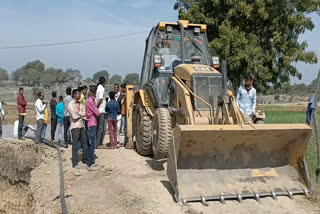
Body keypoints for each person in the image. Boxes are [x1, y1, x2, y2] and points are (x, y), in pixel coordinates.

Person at [68, 88, 88, 168]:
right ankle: (75, 163)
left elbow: (84, 112)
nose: (80, 95)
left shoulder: (80, 103)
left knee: (84, 143)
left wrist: (80, 114)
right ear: (74, 95)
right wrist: (81, 115)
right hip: (75, 126)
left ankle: (85, 159)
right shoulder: (71, 104)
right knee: (75, 145)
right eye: (79, 94)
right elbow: (74, 116)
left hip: (81, 125)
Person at [86, 85, 100, 170]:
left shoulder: (90, 100)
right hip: (92, 123)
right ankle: (90, 163)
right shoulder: (90, 101)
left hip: (91, 122)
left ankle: (90, 161)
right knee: (92, 144)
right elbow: (97, 113)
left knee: (91, 143)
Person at [96, 77, 107, 149]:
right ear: (104, 82)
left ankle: (97, 142)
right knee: (101, 127)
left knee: (99, 127)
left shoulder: (98, 88)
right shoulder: (102, 89)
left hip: (99, 110)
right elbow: (100, 99)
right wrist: (96, 107)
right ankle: (98, 143)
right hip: (101, 110)